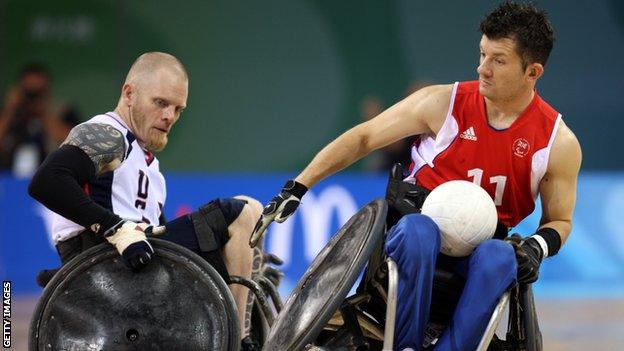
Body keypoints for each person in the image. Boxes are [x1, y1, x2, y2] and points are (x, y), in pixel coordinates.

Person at [250, 2, 582, 350]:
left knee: (500, 257)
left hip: (482, 249)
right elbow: (364, 137)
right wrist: (299, 185)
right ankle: (405, 344)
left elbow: (559, 220)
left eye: (498, 60)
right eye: (482, 54)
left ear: (533, 72)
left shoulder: (557, 143)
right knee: (418, 231)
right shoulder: (442, 103)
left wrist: (537, 247)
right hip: (412, 233)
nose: (482, 68)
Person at [28, 52, 262, 350]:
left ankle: (243, 320)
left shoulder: (150, 165)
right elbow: (46, 182)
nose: (170, 116)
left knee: (251, 212)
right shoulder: (108, 133)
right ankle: (237, 341)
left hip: (141, 264)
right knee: (239, 213)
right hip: (101, 263)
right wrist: (117, 229)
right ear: (129, 94)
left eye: (178, 109)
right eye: (161, 103)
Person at [0, 64, 79, 176]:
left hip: (51, 179)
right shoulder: (9, 113)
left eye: (39, 92)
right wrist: (10, 110)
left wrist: (44, 114)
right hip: (7, 181)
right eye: (29, 92)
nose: (33, 97)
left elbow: (75, 145)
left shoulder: (63, 111)